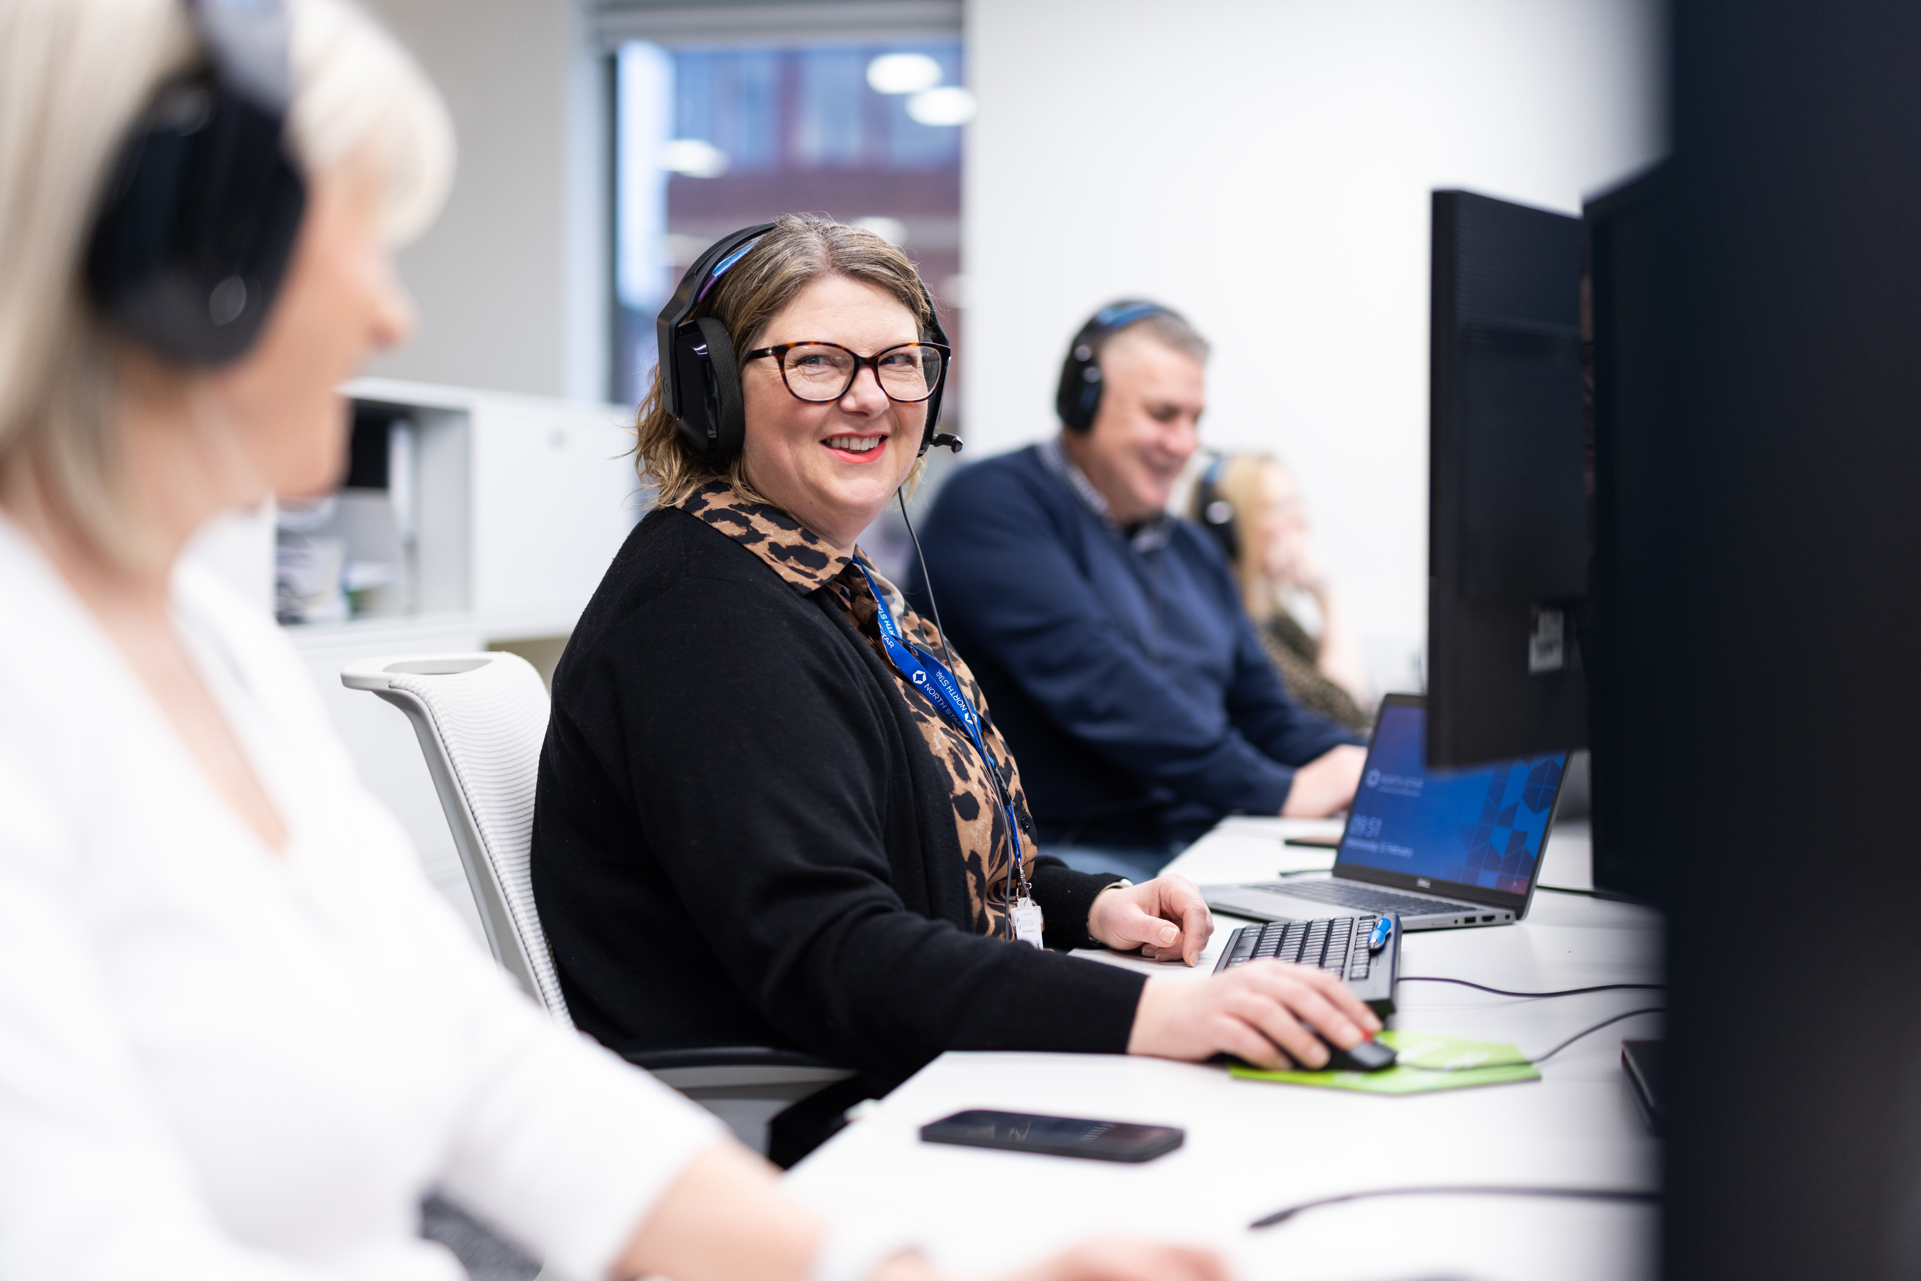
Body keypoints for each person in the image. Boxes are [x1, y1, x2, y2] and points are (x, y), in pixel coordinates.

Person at [0, 5, 1231, 1281]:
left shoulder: (210, 641)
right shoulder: (706, 608)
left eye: (899, 362)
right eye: (352, 242)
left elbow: (489, 1072)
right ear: (164, 259)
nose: (391, 316)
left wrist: (885, 1266)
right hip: (840, 1086)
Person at [530, 218, 1384, 1151]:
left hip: (903, 1060)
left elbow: (907, 855)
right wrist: (1158, 1013)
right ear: (713, 386)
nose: (870, 399)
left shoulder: (810, 584)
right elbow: (833, 951)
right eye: (817, 363)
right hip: (818, 1117)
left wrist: (1084, 904)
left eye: (901, 363)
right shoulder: (705, 616)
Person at [908, 303, 1367, 882]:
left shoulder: (1192, 550)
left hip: (1205, 841)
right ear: (1083, 400)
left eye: (1194, 420)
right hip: (1072, 858)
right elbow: (1098, 681)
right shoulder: (993, 505)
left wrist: (1380, 766)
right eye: (1162, 414)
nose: (1184, 443)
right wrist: (1280, 789)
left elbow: (1268, 714)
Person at [1191, 453, 1373, 732]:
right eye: (1280, 507)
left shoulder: (1273, 618)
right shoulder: (1231, 629)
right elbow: (1342, 715)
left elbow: (1356, 702)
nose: (1299, 520)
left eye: (1297, 503)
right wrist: (1327, 597)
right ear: (1229, 530)